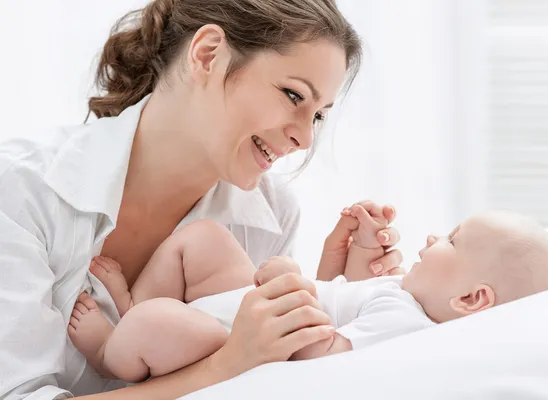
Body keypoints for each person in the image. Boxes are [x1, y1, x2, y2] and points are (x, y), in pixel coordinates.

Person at [0, 1, 405, 399]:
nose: (305, 138)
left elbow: (260, 384)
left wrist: (338, 300)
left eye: (318, 115)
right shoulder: (22, 189)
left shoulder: (273, 217)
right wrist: (227, 364)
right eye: (294, 95)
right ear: (208, 54)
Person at [68, 206, 548, 382]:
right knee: (205, 240)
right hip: (245, 301)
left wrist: (288, 279)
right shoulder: (408, 298)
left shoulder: (412, 329)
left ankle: (110, 353)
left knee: (164, 322)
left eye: (452, 241)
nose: (431, 239)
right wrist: (359, 247)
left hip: (226, 339)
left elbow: (320, 351)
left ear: (470, 299)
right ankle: (134, 309)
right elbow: (345, 297)